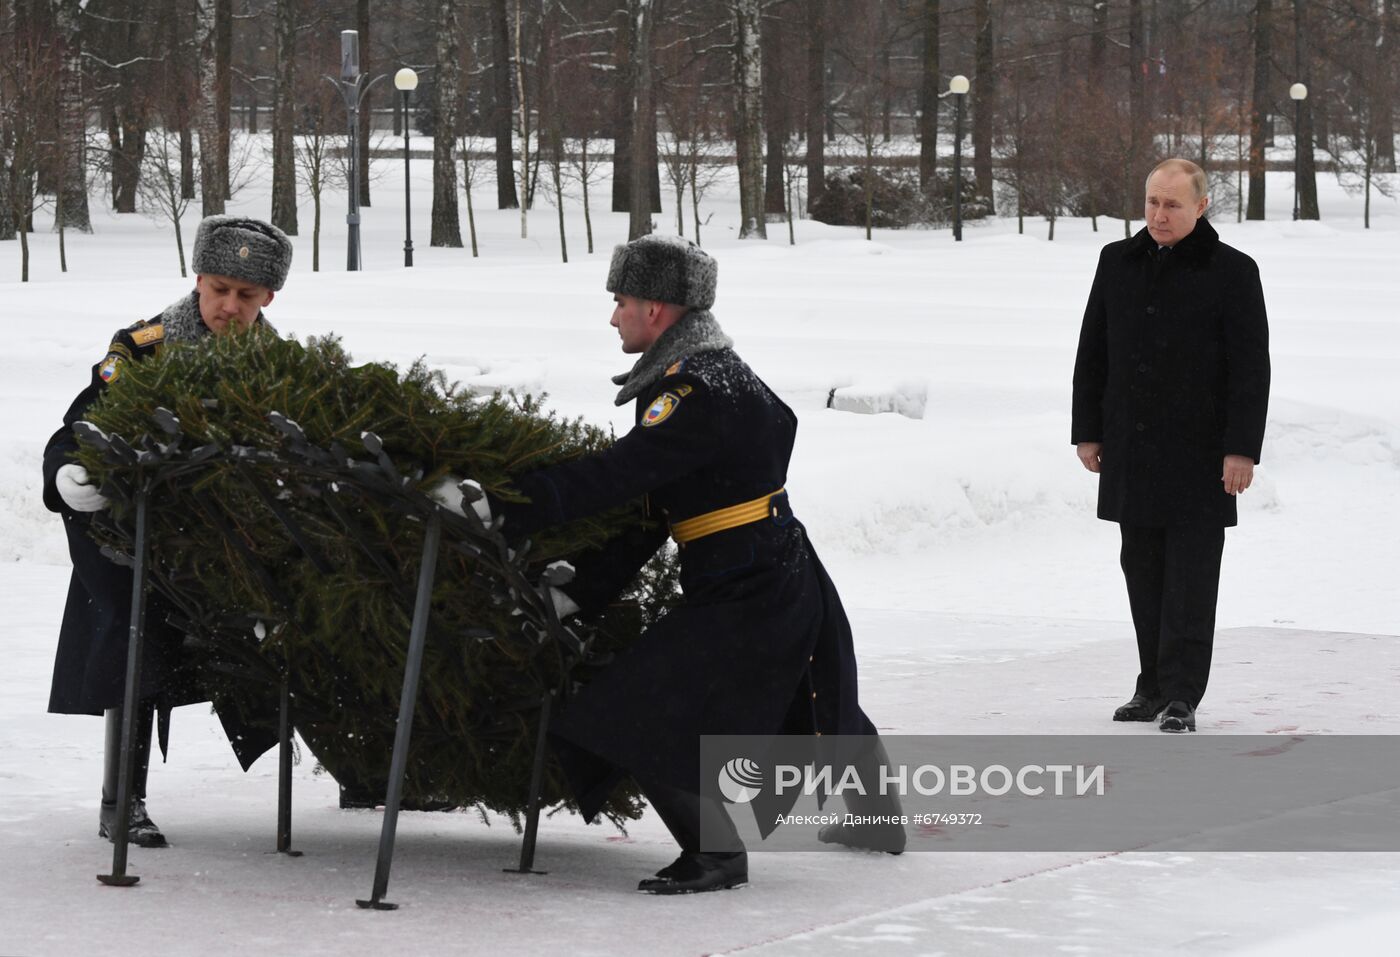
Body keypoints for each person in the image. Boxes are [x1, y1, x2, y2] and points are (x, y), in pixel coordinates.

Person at [443, 234, 903, 894]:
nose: (613, 316)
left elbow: (617, 479)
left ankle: (717, 852)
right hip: (764, 572)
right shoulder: (715, 377)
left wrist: (503, 509)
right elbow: (650, 514)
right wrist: (581, 593)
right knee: (810, 696)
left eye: (620, 300)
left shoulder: (696, 394)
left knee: (641, 711)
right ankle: (877, 816)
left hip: (754, 585)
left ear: (656, 310)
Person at [42, 215, 293, 846]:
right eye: (219, 289)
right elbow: (84, 424)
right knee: (139, 628)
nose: (228, 306)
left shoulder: (283, 366)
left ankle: (366, 770)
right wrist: (70, 472)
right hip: (138, 536)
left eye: (246, 294)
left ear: (269, 298)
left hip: (234, 538)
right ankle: (121, 797)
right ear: (199, 280)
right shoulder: (144, 348)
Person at [1072, 158, 1270, 733]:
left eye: (1173, 205)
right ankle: (1151, 686)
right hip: (1131, 449)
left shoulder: (1233, 271)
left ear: (1201, 207)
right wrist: (1089, 429)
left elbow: (1250, 368)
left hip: (1202, 456)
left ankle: (1183, 692)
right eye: (1153, 201)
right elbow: (1094, 351)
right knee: (1143, 568)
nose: (1158, 215)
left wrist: (1241, 449)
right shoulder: (1117, 262)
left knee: (1190, 574)